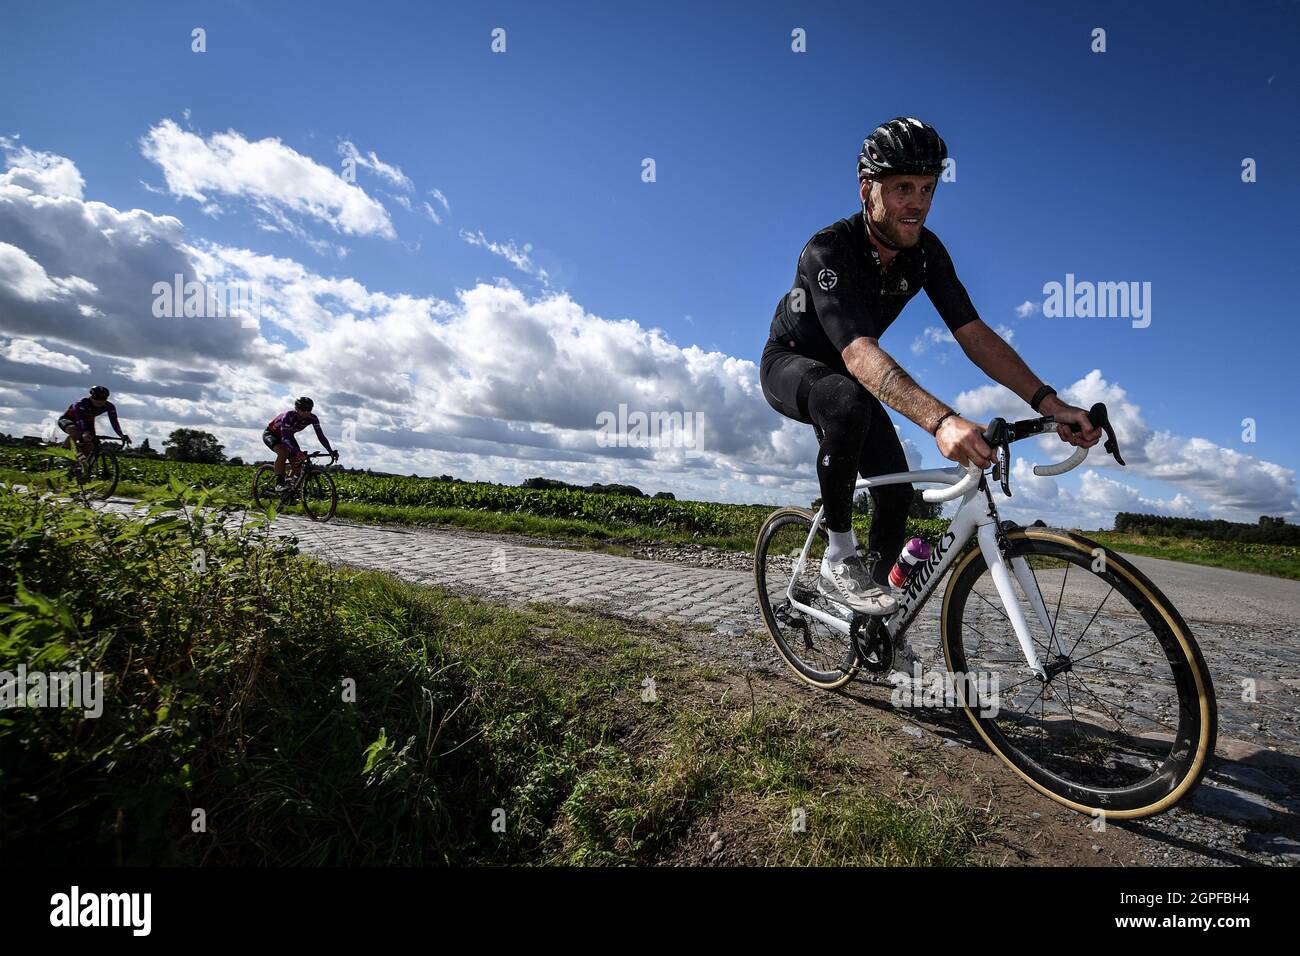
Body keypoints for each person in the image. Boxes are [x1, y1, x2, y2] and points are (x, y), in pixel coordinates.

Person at [760, 116, 1102, 623]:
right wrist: (941, 422)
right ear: (866, 189)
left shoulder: (926, 253)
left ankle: (873, 626)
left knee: (895, 492)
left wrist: (1050, 404)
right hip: (795, 365)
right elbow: (856, 352)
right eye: (901, 188)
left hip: (855, 376)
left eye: (926, 188)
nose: (916, 203)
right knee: (847, 402)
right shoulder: (828, 249)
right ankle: (837, 556)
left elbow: (974, 334)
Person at [263, 396, 338, 491]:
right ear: (297, 409)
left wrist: (330, 451)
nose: (306, 412)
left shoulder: (313, 418)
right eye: (303, 409)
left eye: (309, 409)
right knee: (283, 452)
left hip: (288, 436)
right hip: (272, 434)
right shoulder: (288, 416)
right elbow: (285, 438)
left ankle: (288, 489)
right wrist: (298, 452)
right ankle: (279, 483)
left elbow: (321, 436)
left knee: (297, 465)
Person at [58, 385, 129, 458]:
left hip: (88, 422)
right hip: (69, 419)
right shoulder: (81, 403)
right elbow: (80, 419)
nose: (99, 401)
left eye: (103, 399)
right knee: (76, 432)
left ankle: (80, 465)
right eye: (96, 398)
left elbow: (114, 422)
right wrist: (85, 432)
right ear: (91, 396)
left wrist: (121, 435)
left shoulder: (109, 406)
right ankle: (62, 456)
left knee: (90, 445)